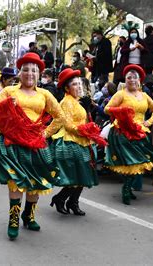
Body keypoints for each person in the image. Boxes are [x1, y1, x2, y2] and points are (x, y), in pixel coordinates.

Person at [0, 52, 64, 240]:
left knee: (35, 184)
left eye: (34, 70)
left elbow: (60, 117)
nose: (30, 73)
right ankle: (13, 220)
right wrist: (7, 104)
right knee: (15, 183)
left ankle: (28, 216)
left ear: (39, 74)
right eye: (26, 70)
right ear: (19, 73)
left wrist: (44, 134)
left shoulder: (45, 94)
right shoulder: (9, 91)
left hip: (35, 144)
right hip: (11, 143)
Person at [104, 64, 153, 205]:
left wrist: (150, 121)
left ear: (139, 80)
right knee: (130, 162)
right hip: (123, 131)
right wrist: (121, 113)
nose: (132, 80)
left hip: (141, 131)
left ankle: (128, 188)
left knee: (140, 161)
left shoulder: (145, 95)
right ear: (125, 80)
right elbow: (107, 109)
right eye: (129, 78)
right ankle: (126, 188)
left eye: (135, 78)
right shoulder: (120, 94)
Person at [50, 68, 101, 216]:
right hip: (70, 142)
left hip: (83, 141)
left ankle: (73, 202)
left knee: (83, 175)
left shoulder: (78, 101)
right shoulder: (66, 102)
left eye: (80, 84)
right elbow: (68, 125)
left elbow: (85, 120)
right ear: (67, 88)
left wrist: (87, 111)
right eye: (74, 84)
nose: (79, 87)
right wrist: (85, 130)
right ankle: (61, 198)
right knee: (75, 176)